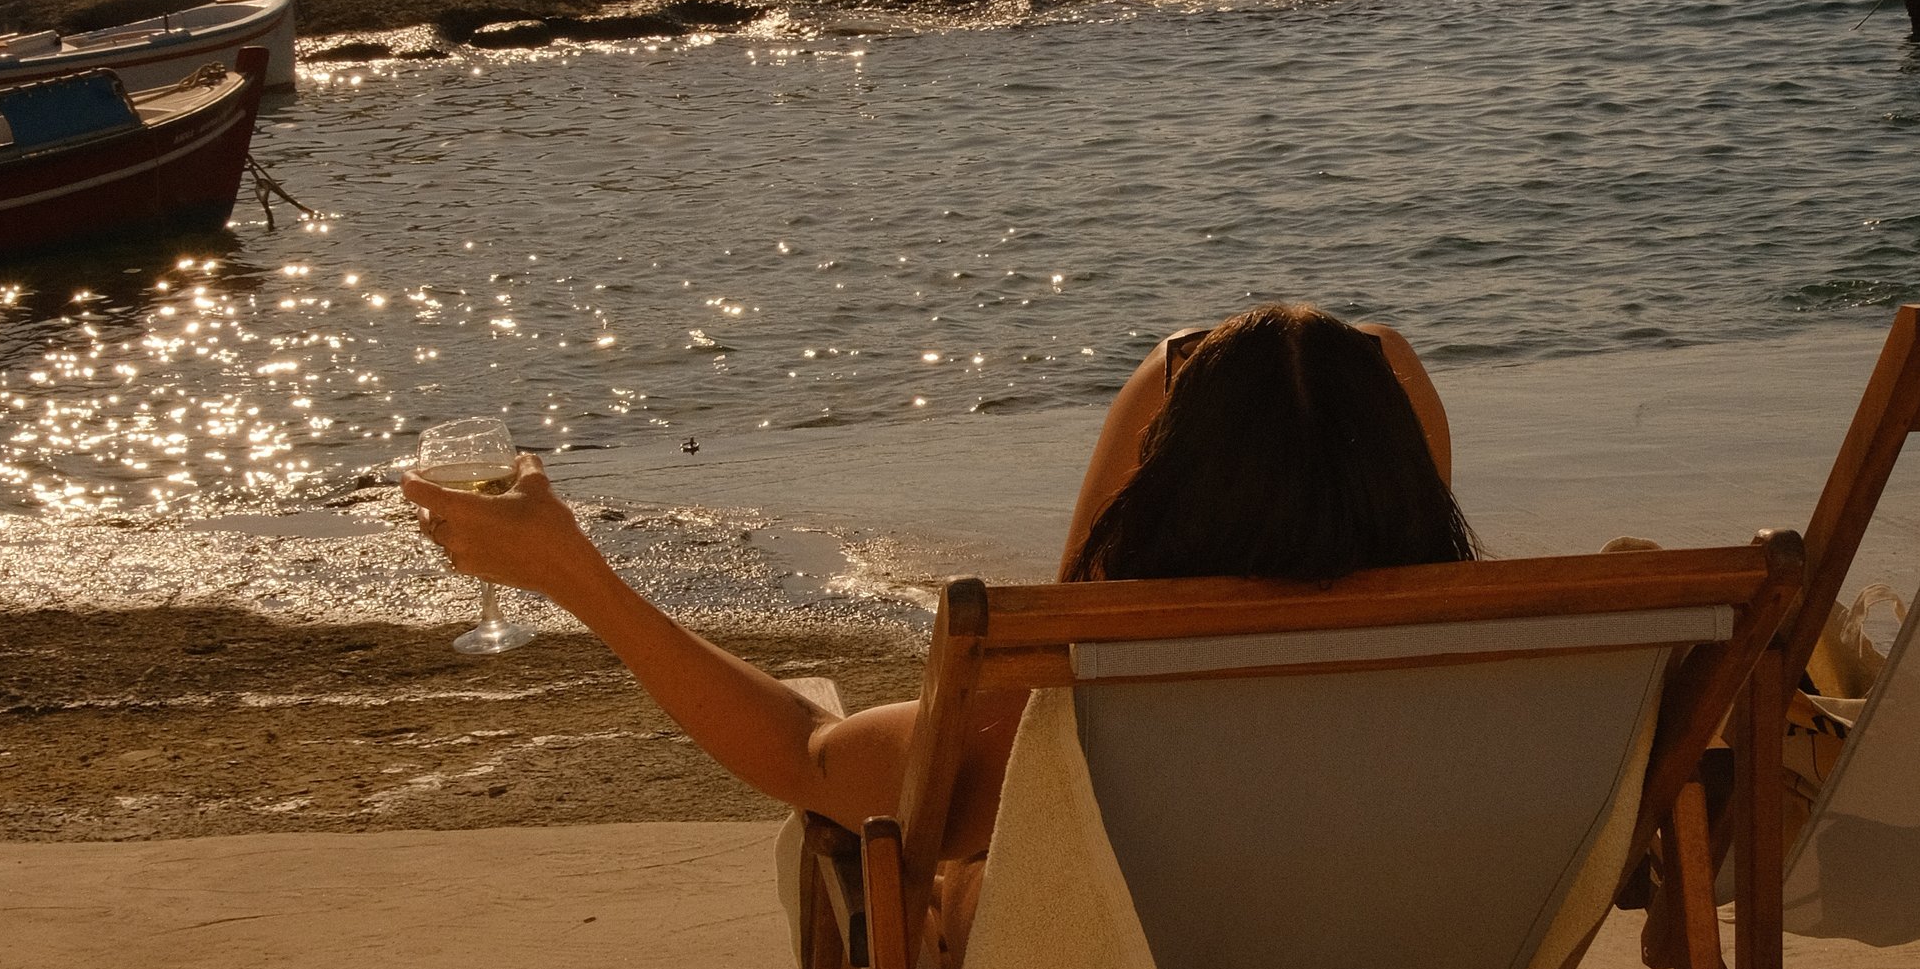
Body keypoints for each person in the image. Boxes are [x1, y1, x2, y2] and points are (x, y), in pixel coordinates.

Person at [401, 307, 1471, 907]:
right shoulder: (1488, 708)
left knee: (867, 820)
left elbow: (809, 758)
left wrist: (571, 573)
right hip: (1398, 964)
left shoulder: (1059, 745)